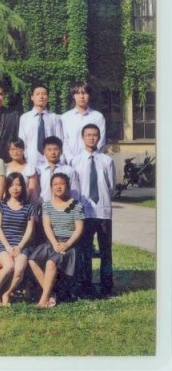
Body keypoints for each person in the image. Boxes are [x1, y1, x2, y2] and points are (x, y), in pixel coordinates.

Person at [70, 124, 116, 298]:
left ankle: (106, 287)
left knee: (105, 250)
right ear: (83, 138)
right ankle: (86, 286)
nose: (91, 138)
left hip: (103, 211)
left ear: (99, 137)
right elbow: (75, 188)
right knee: (85, 251)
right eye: (88, 135)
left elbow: (111, 187)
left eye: (95, 135)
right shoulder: (75, 161)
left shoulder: (107, 160)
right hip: (85, 212)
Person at [28, 173, 84, 308]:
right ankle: (51, 294)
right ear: (51, 187)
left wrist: (67, 244)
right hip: (52, 242)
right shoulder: (47, 205)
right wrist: (54, 244)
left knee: (50, 262)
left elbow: (79, 228)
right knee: (32, 260)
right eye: (55, 184)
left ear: (68, 186)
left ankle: (43, 300)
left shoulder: (76, 205)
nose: (58, 187)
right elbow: (47, 226)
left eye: (62, 184)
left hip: (69, 245)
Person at [0, 173, 36, 307]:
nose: (15, 188)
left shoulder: (29, 207)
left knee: (19, 269)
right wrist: (8, 247)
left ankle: (7, 293)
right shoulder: (1, 205)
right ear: (7, 187)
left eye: (18, 185)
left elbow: (29, 230)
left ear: (23, 187)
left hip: (21, 246)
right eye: (12, 185)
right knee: (9, 265)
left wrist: (20, 246)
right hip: (3, 245)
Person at [19, 84, 63, 168]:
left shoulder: (54, 118)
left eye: (44, 94)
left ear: (48, 97)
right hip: (31, 160)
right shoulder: (25, 118)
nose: (41, 97)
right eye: (37, 94)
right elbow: (22, 141)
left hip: (51, 160)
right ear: (32, 97)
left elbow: (59, 140)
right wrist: (25, 158)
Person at [61, 81, 107, 164]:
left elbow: (101, 141)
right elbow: (64, 142)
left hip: (93, 162)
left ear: (89, 95)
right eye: (78, 93)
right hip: (71, 163)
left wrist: (92, 158)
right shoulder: (65, 117)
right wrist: (71, 160)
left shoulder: (98, 117)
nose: (81, 96)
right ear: (73, 96)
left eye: (85, 93)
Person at [37, 136, 79, 204]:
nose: (53, 152)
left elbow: (75, 193)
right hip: (43, 207)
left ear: (61, 151)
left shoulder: (69, 170)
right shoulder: (39, 171)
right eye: (49, 150)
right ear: (44, 152)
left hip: (64, 207)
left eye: (55, 149)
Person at [5, 139, 39, 204]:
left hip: (26, 203)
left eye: (18, 149)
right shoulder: (4, 167)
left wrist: (20, 204)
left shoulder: (30, 168)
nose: (15, 152)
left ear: (23, 150)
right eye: (12, 149)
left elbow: (31, 189)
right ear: (9, 151)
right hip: (8, 203)